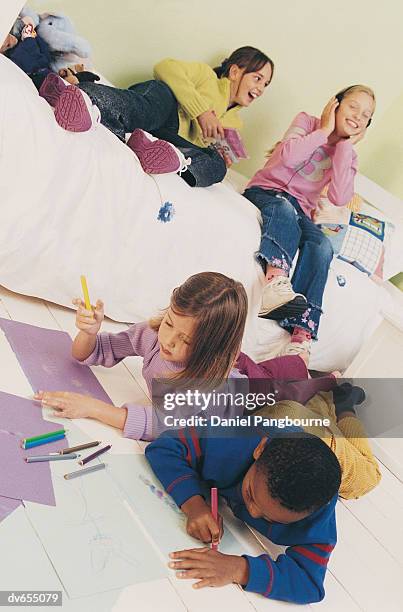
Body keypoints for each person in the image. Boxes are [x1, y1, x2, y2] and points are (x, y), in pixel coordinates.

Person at [35, 272, 251, 440]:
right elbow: (89, 352)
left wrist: (92, 407)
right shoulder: (153, 335)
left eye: (186, 340)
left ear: (211, 350)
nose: (168, 340)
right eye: (168, 323)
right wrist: (88, 332)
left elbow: (158, 426)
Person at [243, 85, 376, 357]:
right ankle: (276, 282)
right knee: (283, 209)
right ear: (335, 104)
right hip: (268, 192)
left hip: (303, 211)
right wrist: (324, 132)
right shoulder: (306, 122)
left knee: (322, 246)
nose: (358, 116)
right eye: (353, 107)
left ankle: (301, 336)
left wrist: (345, 147)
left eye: (366, 115)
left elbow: (340, 197)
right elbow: (287, 157)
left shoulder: (348, 155)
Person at [145, 425, 341, 604]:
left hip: (334, 457)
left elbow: (308, 583)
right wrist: (194, 504)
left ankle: (344, 410)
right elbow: (165, 446)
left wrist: (239, 569)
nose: (253, 513)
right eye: (250, 493)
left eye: (271, 519)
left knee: (363, 472)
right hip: (276, 423)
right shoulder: (233, 441)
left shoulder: (319, 512)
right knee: (293, 411)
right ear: (259, 450)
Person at [77, 47, 274, 186]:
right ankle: (84, 95)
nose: (261, 89)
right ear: (234, 72)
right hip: (164, 104)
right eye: (257, 79)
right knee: (151, 106)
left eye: (265, 84)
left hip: (167, 136)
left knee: (218, 167)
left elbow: (208, 147)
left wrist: (221, 155)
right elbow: (165, 67)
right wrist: (202, 112)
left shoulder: (235, 124)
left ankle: (155, 152)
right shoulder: (206, 76)